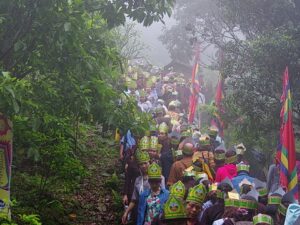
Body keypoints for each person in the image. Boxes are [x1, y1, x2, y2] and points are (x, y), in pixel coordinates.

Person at [122, 151, 165, 224]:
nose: (144, 166)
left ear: (150, 163)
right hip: (141, 212)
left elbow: (163, 196)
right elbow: (134, 199)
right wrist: (126, 212)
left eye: (145, 163)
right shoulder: (138, 180)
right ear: (138, 166)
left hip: (155, 213)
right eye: (141, 164)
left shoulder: (159, 178)